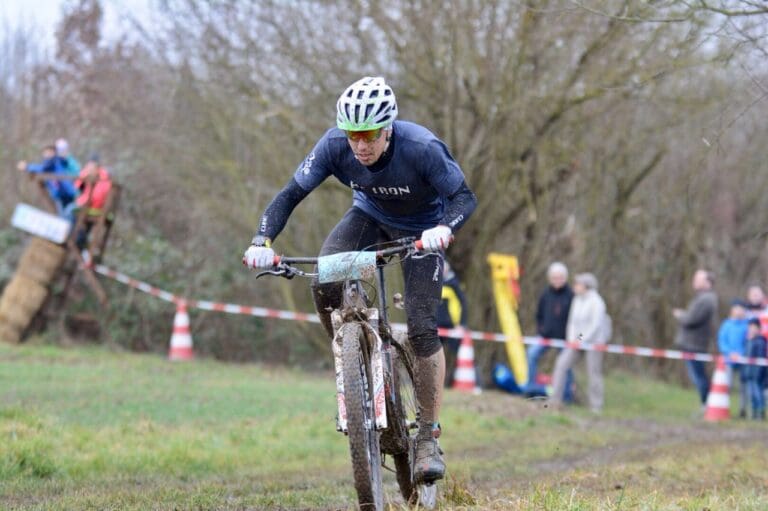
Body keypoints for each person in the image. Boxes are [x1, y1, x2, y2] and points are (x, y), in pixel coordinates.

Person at [242, 76, 477, 483]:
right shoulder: (333, 146)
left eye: (368, 135)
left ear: (387, 129)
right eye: (353, 136)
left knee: (422, 326)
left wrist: (443, 228)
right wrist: (262, 239)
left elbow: (464, 197)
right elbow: (289, 195)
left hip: (421, 232)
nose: (360, 146)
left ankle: (428, 436)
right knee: (323, 279)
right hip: (368, 218)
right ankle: (352, 364)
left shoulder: (422, 148)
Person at [550, 273, 609, 413]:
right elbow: (572, 322)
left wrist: (580, 340)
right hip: (576, 342)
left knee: (593, 372)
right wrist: (572, 340)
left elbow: (594, 326)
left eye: (578, 284)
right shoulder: (576, 300)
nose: (575, 287)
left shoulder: (597, 302)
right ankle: (554, 399)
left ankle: (596, 405)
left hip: (594, 342)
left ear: (586, 286)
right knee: (561, 365)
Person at [524, 262, 574, 399]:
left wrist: (574, 337)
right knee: (531, 354)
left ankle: (567, 394)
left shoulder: (571, 296)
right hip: (545, 336)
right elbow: (539, 314)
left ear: (565, 278)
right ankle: (530, 388)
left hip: (564, 339)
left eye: (560, 277)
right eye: (554, 277)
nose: (557, 280)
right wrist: (541, 329)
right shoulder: (545, 294)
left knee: (565, 365)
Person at [673, 269, 718, 408]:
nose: (694, 282)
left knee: (699, 376)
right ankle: (707, 403)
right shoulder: (701, 298)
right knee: (697, 376)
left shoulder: (707, 299)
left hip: (695, 345)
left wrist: (681, 315)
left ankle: (707, 404)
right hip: (691, 344)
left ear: (707, 282)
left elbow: (691, 319)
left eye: (698, 279)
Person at [17, 145, 77, 220]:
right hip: (61, 193)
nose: (46, 154)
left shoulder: (54, 161)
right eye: (45, 153)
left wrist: (27, 167)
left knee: (66, 214)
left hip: (65, 192)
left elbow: (44, 168)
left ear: (53, 152)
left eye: (48, 152)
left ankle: (71, 229)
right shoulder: (51, 162)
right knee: (64, 214)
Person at [437, 260, 472, 387]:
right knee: (435, 355)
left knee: (459, 354)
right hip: (437, 326)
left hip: (453, 327)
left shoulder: (455, 285)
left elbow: (463, 305)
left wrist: (461, 324)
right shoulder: (435, 284)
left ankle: (460, 381)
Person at [73, 154, 114, 253]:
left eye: (92, 166)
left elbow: (98, 196)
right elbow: (76, 187)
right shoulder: (87, 174)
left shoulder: (103, 179)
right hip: (87, 206)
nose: (90, 168)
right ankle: (79, 243)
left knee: (70, 212)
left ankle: (76, 241)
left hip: (93, 207)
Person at [717, 299, 749, 418]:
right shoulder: (726, 325)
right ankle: (724, 408)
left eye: (741, 309)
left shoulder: (747, 325)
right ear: (732, 310)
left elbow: (748, 342)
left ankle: (743, 409)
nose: (739, 311)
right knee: (727, 385)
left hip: (743, 360)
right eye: (737, 308)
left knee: (743, 386)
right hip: (728, 360)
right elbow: (722, 341)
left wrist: (742, 354)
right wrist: (729, 353)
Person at [744, 318, 766, 420]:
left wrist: (759, 371)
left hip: (757, 373)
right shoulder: (748, 341)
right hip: (749, 372)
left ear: (759, 328)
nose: (752, 329)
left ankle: (760, 412)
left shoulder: (760, 342)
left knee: (758, 392)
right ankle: (753, 411)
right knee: (751, 393)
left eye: (754, 327)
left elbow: (760, 359)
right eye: (750, 327)